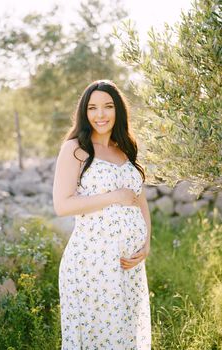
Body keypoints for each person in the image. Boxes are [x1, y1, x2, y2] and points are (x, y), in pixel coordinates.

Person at [53, 79, 152, 349]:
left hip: (128, 264)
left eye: (108, 107)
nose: (100, 115)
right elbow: (62, 205)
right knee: (98, 338)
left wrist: (146, 243)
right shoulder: (75, 148)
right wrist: (113, 197)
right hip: (91, 263)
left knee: (125, 336)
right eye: (93, 108)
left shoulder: (125, 148)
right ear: (84, 113)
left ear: (118, 110)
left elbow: (138, 198)